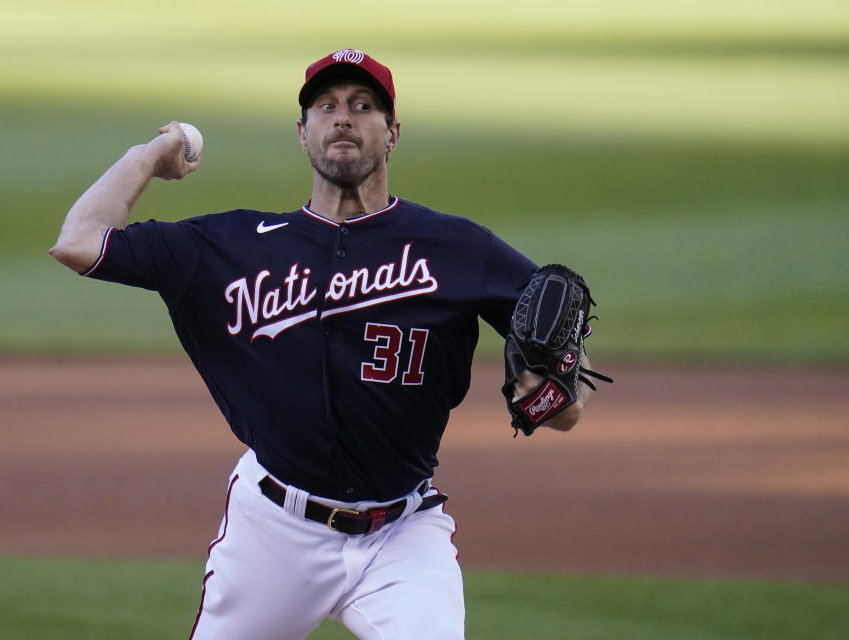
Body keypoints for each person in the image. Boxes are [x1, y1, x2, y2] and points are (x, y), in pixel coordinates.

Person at [50, 48, 593, 640]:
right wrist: (149, 155)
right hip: (273, 534)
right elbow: (80, 241)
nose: (343, 118)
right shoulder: (229, 247)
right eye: (326, 106)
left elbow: (563, 385)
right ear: (302, 132)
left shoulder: (459, 249)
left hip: (401, 535)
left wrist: (547, 393)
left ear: (393, 134)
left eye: (364, 107)